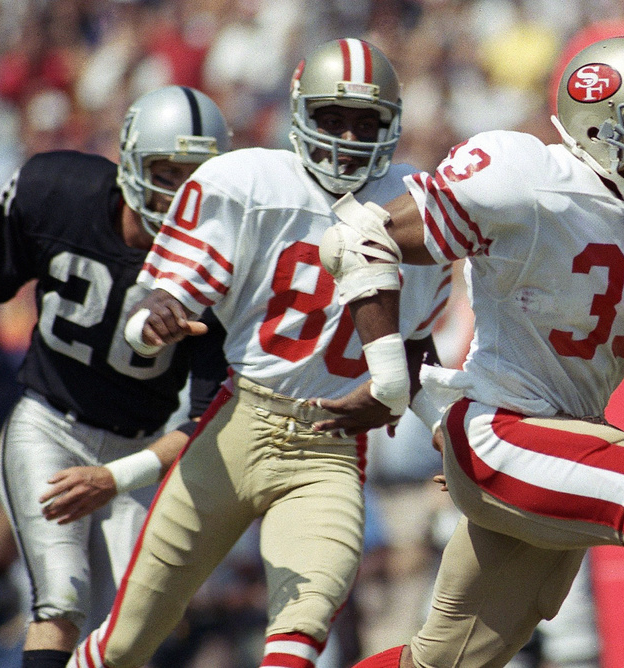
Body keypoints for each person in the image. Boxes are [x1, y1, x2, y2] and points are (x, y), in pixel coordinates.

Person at [320, 34, 624, 668]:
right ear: (596, 127)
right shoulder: (528, 178)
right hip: (500, 427)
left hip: (571, 435)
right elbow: (357, 241)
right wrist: (393, 384)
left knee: (440, 662)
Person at [67, 38, 451, 668]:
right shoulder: (247, 179)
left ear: (392, 124)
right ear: (300, 113)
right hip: (235, 426)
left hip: (328, 448)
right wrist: (155, 319)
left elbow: (415, 349)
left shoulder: (415, 201)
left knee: (300, 636)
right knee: (126, 640)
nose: (349, 136)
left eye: (365, 121)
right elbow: (153, 305)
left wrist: (442, 428)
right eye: (333, 117)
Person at [0, 84, 232, 668]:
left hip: (136, 452)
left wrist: (116, 477)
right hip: (49, 428)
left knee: (133, 631)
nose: (178, 196)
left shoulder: (220, 261)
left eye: (196, 180)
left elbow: (208, 415)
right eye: (167, 172)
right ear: (131, 159)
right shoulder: (57, 193)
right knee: (61, 599)